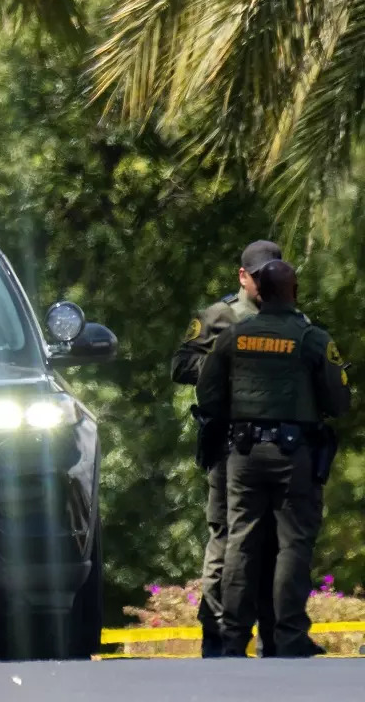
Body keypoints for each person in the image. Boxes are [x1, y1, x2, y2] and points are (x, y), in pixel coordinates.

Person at [196, 259, 351, 657]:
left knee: (240, 542)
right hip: (293, 454)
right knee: (293, 543)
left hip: (243, 455)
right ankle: (289, 637)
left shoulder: (233, 336)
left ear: (259, 292)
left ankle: (232, 639)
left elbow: (208, 394)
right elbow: (339, 400)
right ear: (294, 292)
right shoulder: (312, 339)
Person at [171, 240, 284, 657]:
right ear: (243, 276)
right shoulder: (221, 315)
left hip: (278, 448)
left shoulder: (290, 318)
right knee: (226, 536)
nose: (263, 283)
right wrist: (229, 361)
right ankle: (217, 630)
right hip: (229, 443)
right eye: (257, 276)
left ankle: (276, 634)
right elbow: (181, 365)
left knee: (276, 541)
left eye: (271, 274)